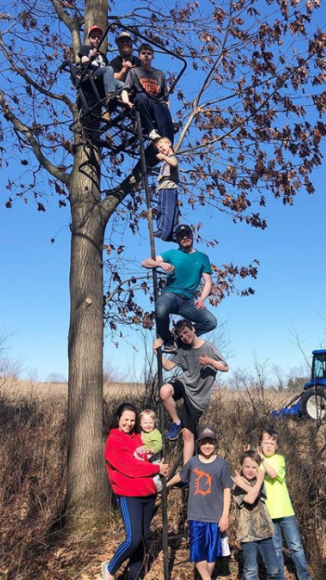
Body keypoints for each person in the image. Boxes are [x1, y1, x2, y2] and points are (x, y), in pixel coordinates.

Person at [102, 403, 169, 580]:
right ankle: (109, 570)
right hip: (128, 494)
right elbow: (130, 467)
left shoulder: (138, 438)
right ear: (118, 419)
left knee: (142, 538)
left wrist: (160, 465)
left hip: (148, 492)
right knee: (132, 539)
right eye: (126, 420)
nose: (129, 423)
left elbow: (150, 452)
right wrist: (155, 469)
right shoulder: (113, 442)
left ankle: (135, 576)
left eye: (132, 420)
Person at [154, 318, 228, 463]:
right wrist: (157, 351)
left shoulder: (209, 347)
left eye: (186, 333)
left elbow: (225, 367)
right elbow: (168, 366)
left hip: (198, 397)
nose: (185, 337)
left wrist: (211, 362)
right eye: (181, 336)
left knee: (188, 435)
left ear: (193, 329)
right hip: (184, 383)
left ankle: (187, 471)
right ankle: (176, 422)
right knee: (164, 391)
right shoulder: (183, 350)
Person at [168, 425, 231, 580]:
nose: (207, 446)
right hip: (195, 515)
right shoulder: (193, 462)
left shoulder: (222, 465)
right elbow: (182, 477)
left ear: (215, 444)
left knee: (211, 553)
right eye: (204, 442)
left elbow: (227, 490)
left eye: (210, 442)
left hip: (215, 516)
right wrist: (166, 484)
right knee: (197, 551)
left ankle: (205, 577)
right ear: (198, 443)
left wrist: (225, 515)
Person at [141, 223, 217, 352]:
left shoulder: (202, 257)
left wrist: (202, 299)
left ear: (192, 236)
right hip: (171, 295)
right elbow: (145, 262)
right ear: (177, 239)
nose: (185, 237)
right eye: (181, 236)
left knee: (210, 321)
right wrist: (161, 264)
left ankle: (181, 339)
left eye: (187, 234)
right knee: (160, 308)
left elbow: (208, 281)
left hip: (188, 301)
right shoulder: (172, 254)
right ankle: (168, 340)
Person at [259, 429, 311, 580]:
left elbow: (274, 474)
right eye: (266, 443)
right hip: (268, 512)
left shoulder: (279, 459)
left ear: (276, 446)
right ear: (260, 444)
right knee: (275, 549)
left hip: (286, 511)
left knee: (295, 547)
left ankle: (304, 577)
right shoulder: (257, 462)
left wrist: (262, 459)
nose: (269, 446)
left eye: (272, 443)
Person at [232, 450, 285, 580]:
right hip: (247, 534)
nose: (250, 470)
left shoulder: (259, 482)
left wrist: (259, 480)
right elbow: (250, 499)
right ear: (241, 467)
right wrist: (255, 482)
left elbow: (256, 494)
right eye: (247, 466)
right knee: (250, 570)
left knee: (274, 570)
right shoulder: (236, 485)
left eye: (254, 467)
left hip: (265, 532)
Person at [120, 43, 174, 143]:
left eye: (148, 53)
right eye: (143, 53)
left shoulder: (159, 74)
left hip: (158, 103)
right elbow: (125, 89)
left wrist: (166, 109)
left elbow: (166, 97)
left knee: (166, 120)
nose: (146, 55)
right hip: (144, 102)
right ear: (139, 56)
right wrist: (126, 101)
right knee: (141, 97)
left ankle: (167, 146)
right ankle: (151, 131)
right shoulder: (134, 71)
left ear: (152, 57)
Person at [78, 26, 126, 118]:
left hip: (104, 78)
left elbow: (109, 71)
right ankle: (110, 95)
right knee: (108, 69)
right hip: (91, 73)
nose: (96, 39)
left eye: (98, 37)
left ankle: (121, 104)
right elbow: (83, 61)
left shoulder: (103, 56)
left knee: (122, 84)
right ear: (89, 38)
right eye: (93, 37)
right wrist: (90, 58)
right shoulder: (85, 48)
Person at [153, 136, 180, 242]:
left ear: (169, 144)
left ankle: (162, 229)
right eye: (158, 149)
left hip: (167, 186)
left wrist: (164, 157)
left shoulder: (171, 157)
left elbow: (174, 163)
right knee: (173, 210)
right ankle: (174, 233)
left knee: (165, 209)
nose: (160, 150)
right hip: (167, 187)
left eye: (161, 146)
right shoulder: (166, 161)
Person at [139, 408, 163, 492]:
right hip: (144, 458)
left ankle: (159, 489)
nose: (148, 425)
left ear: (154, 423)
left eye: (150, 422)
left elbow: (159, 445)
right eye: (145, 423)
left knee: (154, 479)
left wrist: (151, 450)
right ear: (140, 424)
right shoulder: (141, 433)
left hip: (154, 459)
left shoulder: (155, 433)